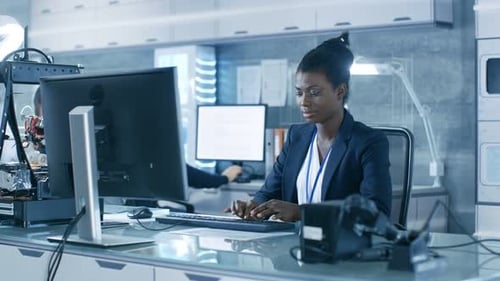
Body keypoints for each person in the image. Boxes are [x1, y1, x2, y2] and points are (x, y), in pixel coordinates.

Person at [227, 32, 392, 222]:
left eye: (314, 93)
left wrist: (302, 212)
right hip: (291, 247)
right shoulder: (297, 136)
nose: (304, 102)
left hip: (343, 249)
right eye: (299, 93)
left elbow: (377, 213)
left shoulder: (368, 142)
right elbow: (269, 192)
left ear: (340, 91)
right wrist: (254, 206)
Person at [31, 87, 243, 189]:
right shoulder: (47, 155)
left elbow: (177, 171)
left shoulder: (121, 142)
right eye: (44, 122)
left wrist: (223, 178)